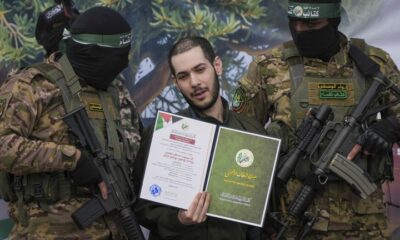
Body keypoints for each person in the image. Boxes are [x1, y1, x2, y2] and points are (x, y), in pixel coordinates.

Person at [232, 0, 400, 239]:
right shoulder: (268, 66)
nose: (300, 30)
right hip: (291, 221)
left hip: (365, 225)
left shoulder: (375, 63)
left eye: (311, 23)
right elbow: (239, 141)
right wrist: (248, 219)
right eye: (294, 22)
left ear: (334, 21)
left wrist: (391, 127)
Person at [0, 6, 141, 239]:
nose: (122, 63)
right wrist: (71, 159)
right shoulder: (31, 86)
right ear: (92, 52)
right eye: (117, 55)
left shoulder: (117, 93)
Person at [133, 36, 266, 240]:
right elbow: (142, 208)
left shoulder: (253, 133)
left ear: (217, 66)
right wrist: (178, 219)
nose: (194, 82)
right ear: (176, 83)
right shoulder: (161, 134)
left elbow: (262, 213)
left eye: (200, 69)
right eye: (184, 76)